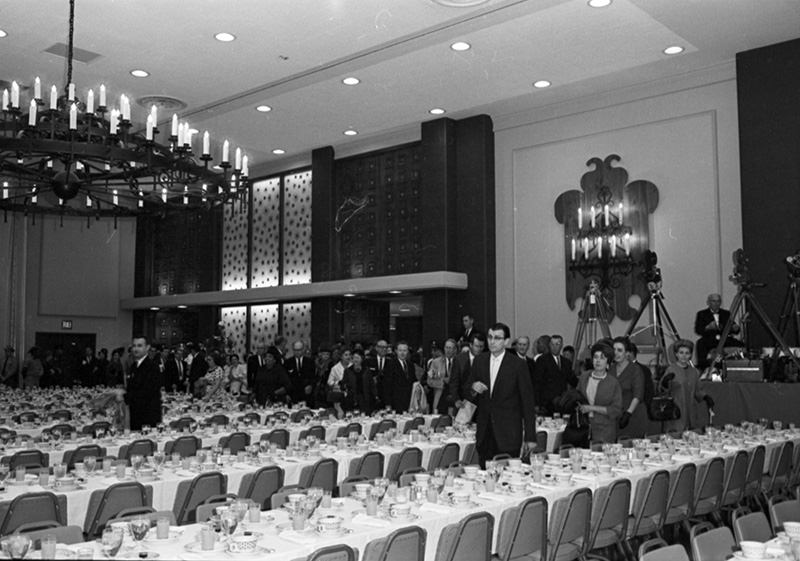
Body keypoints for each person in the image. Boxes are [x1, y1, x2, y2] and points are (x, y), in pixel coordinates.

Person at [468, 322, 537, 468]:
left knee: (507, 479)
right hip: (485, 432)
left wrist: (530, 437)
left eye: (497, 338)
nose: (492, 341)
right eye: (490, 337)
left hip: (508, 433)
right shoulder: (480, 361)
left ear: (506, 341)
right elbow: (468, 391)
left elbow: (527, 402)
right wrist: (473, 388)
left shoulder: (517, 365)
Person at [664, 340, 715, 433]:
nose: (684, 356)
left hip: (690, 411)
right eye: (681, 353)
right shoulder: (671, 369)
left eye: (687, 353)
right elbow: (662, 391)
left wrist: (706, 397)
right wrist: (664, 382)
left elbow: (698, 390)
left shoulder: (694, 372)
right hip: (675, 411)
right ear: (676, 354)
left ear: (691, 355)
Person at [577, 343, 623, 445]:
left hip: (604, 430)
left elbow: (616, 410)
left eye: (602, 358)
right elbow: (577, 397)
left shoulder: (613, 383)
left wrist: (592, 408)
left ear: (608, 362)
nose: (598, 361)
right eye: (595, 357)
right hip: (583, 427)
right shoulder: (584, 377)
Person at [609, 337, 647, 438]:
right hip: (615, 415)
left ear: (627, 353)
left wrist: (628, 413)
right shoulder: (610, 369)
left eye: (620, 350)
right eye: (614, 350)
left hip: (632, 414)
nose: (616, 353)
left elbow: (638, 395)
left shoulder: (635, 369)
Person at [123, 335, 163, 431]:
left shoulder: (152, 367)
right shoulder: (133, 366)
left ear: (147, 347)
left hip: (148, 417)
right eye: (134, 346)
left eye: (139, 346)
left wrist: (124, 397)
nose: (136, 349)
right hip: (136, 414)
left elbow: (147, 392)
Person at [694, 293, 741, 369]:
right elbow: (698, 330)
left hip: (724, 339)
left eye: (718, 301)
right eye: (714, 301)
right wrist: (708, 327)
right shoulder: (702, 314)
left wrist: (736, 328)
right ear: (708, 302)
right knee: (700, 344)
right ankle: (703, 368)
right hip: (709, 339)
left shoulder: (726, 313)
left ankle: (737, 366)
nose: (716, 303)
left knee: (740, 345)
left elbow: (734, 328)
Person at [450, 332, 485, 413]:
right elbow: (454, 382)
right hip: (462, 402)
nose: (479, 349)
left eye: (481, 347)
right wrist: (456, 399)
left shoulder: (485, 360)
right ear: (470, 345)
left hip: (480, 404)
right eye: (477, 346)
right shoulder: (459, 359)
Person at [383, 341, 417, 413]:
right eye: (400, 350)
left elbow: (413, 381)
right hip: (395, 401)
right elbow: (387, 385)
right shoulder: (390, 365)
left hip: (409, 401)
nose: (402, 353)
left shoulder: (411, 365)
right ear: (396, 351)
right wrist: (388, 403)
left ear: (407, 351)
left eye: (404, 350)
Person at [427, 338, 456, 414]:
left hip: (455, 397)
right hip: (440, 396)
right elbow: (429, 381)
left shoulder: (459, 362)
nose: (448, 350)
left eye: (450, 348)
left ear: (455, 350)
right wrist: (442, 381)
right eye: (446, 347)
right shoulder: (436, 362)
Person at [343, 349, 378, 413]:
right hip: (352, 398)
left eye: (357, 358)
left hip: (365, 398)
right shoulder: (348, 371)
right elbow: (344, 383)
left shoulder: (367, 370)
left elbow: (371, 384)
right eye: (353, 358)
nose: (355, 360)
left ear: (362, 359)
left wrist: (375, 395)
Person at [285, 340, 316, 405]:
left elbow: (314, 377)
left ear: (303, 349)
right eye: (295, 350)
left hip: (307, 394)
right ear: (293, 350)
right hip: (293, 394)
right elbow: (286, 379)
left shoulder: (310, 362)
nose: (298, 352)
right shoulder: (288, 362)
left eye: (299, 350)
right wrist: (287, 394)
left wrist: (311, 386)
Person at [327, 349, 352, 418]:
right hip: (339, 394)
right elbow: (329, 382)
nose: (348, 357)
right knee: (341, 413)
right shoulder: (335, 368)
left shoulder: (352, 366)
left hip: (350, 393)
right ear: (341, 356)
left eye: (350, 355)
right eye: (346, 355)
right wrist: (337, 383)